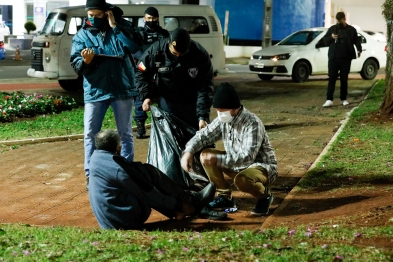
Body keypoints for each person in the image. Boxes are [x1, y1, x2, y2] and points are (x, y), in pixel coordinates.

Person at [70, 0, 141, 190]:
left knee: (125, 133)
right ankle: (91, 174)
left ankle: (126, 172)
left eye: (97, 14)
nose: (93, 18)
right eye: (90, 14)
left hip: (122, 88)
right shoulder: (82, 35)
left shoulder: (121, 28)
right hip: (96, 90)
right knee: (90, 134)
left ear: (107, 13)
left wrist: (115, 27)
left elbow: (134, 47)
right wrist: (85, 61)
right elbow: (76, 63)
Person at [181, 82, 278, 217]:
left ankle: (265, 197)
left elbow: (248, 157)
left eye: (222, 111)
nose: (219, 114)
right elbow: (203, 136)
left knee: (242, 179)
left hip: (261, 167)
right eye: (217, 111)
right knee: (205, 155)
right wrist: (188, 152)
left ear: (234, 108)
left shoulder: (252, 123)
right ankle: (225, 198)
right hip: (236, 166)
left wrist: (218, 159)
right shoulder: (223, 120)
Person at [88, 129, 218, 229]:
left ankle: (180, 209)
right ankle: (190, 203)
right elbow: (148, 194)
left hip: (109, 220)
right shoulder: (119, 169)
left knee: (145, 171)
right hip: (125, 220)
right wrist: (178, 204)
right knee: (146, 185)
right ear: (118, 148)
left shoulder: (95, 158)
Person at [135, 27, 213, 131]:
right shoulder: (156, 51)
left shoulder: (199, 54)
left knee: (197, 137)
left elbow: (205, 86)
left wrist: (202, 116)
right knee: (170, 136)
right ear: (169, 43)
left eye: (182, 54)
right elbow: (141, 72)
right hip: (167, 100)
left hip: (192, 101)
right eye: (175, 53)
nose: (178, 57)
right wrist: (146, 96)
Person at [133, 7, 169, 139]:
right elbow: (133, 49)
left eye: (153, 18)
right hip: (144, 69)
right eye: (148, 18)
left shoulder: (164, 34)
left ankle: (162, 127)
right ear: (144, 19)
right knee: (141, 97)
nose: (151, 20)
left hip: (160, 70)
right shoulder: (139, 34)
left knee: (162, 97)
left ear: (157, 19)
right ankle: (141, 128)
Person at [322, 11, 362, 107]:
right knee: (332, 78)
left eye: (341, 20)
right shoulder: (332, 29)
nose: (339, 23)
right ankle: (329, 99)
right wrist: (331, 37)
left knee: (344, 79)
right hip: (333, 57)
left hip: (346, 58)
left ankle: (343, 99)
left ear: (344, 19)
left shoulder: (351, 30)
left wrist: (359, 50)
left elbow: (356, 40)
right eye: (338, 21)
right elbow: (324, 40)